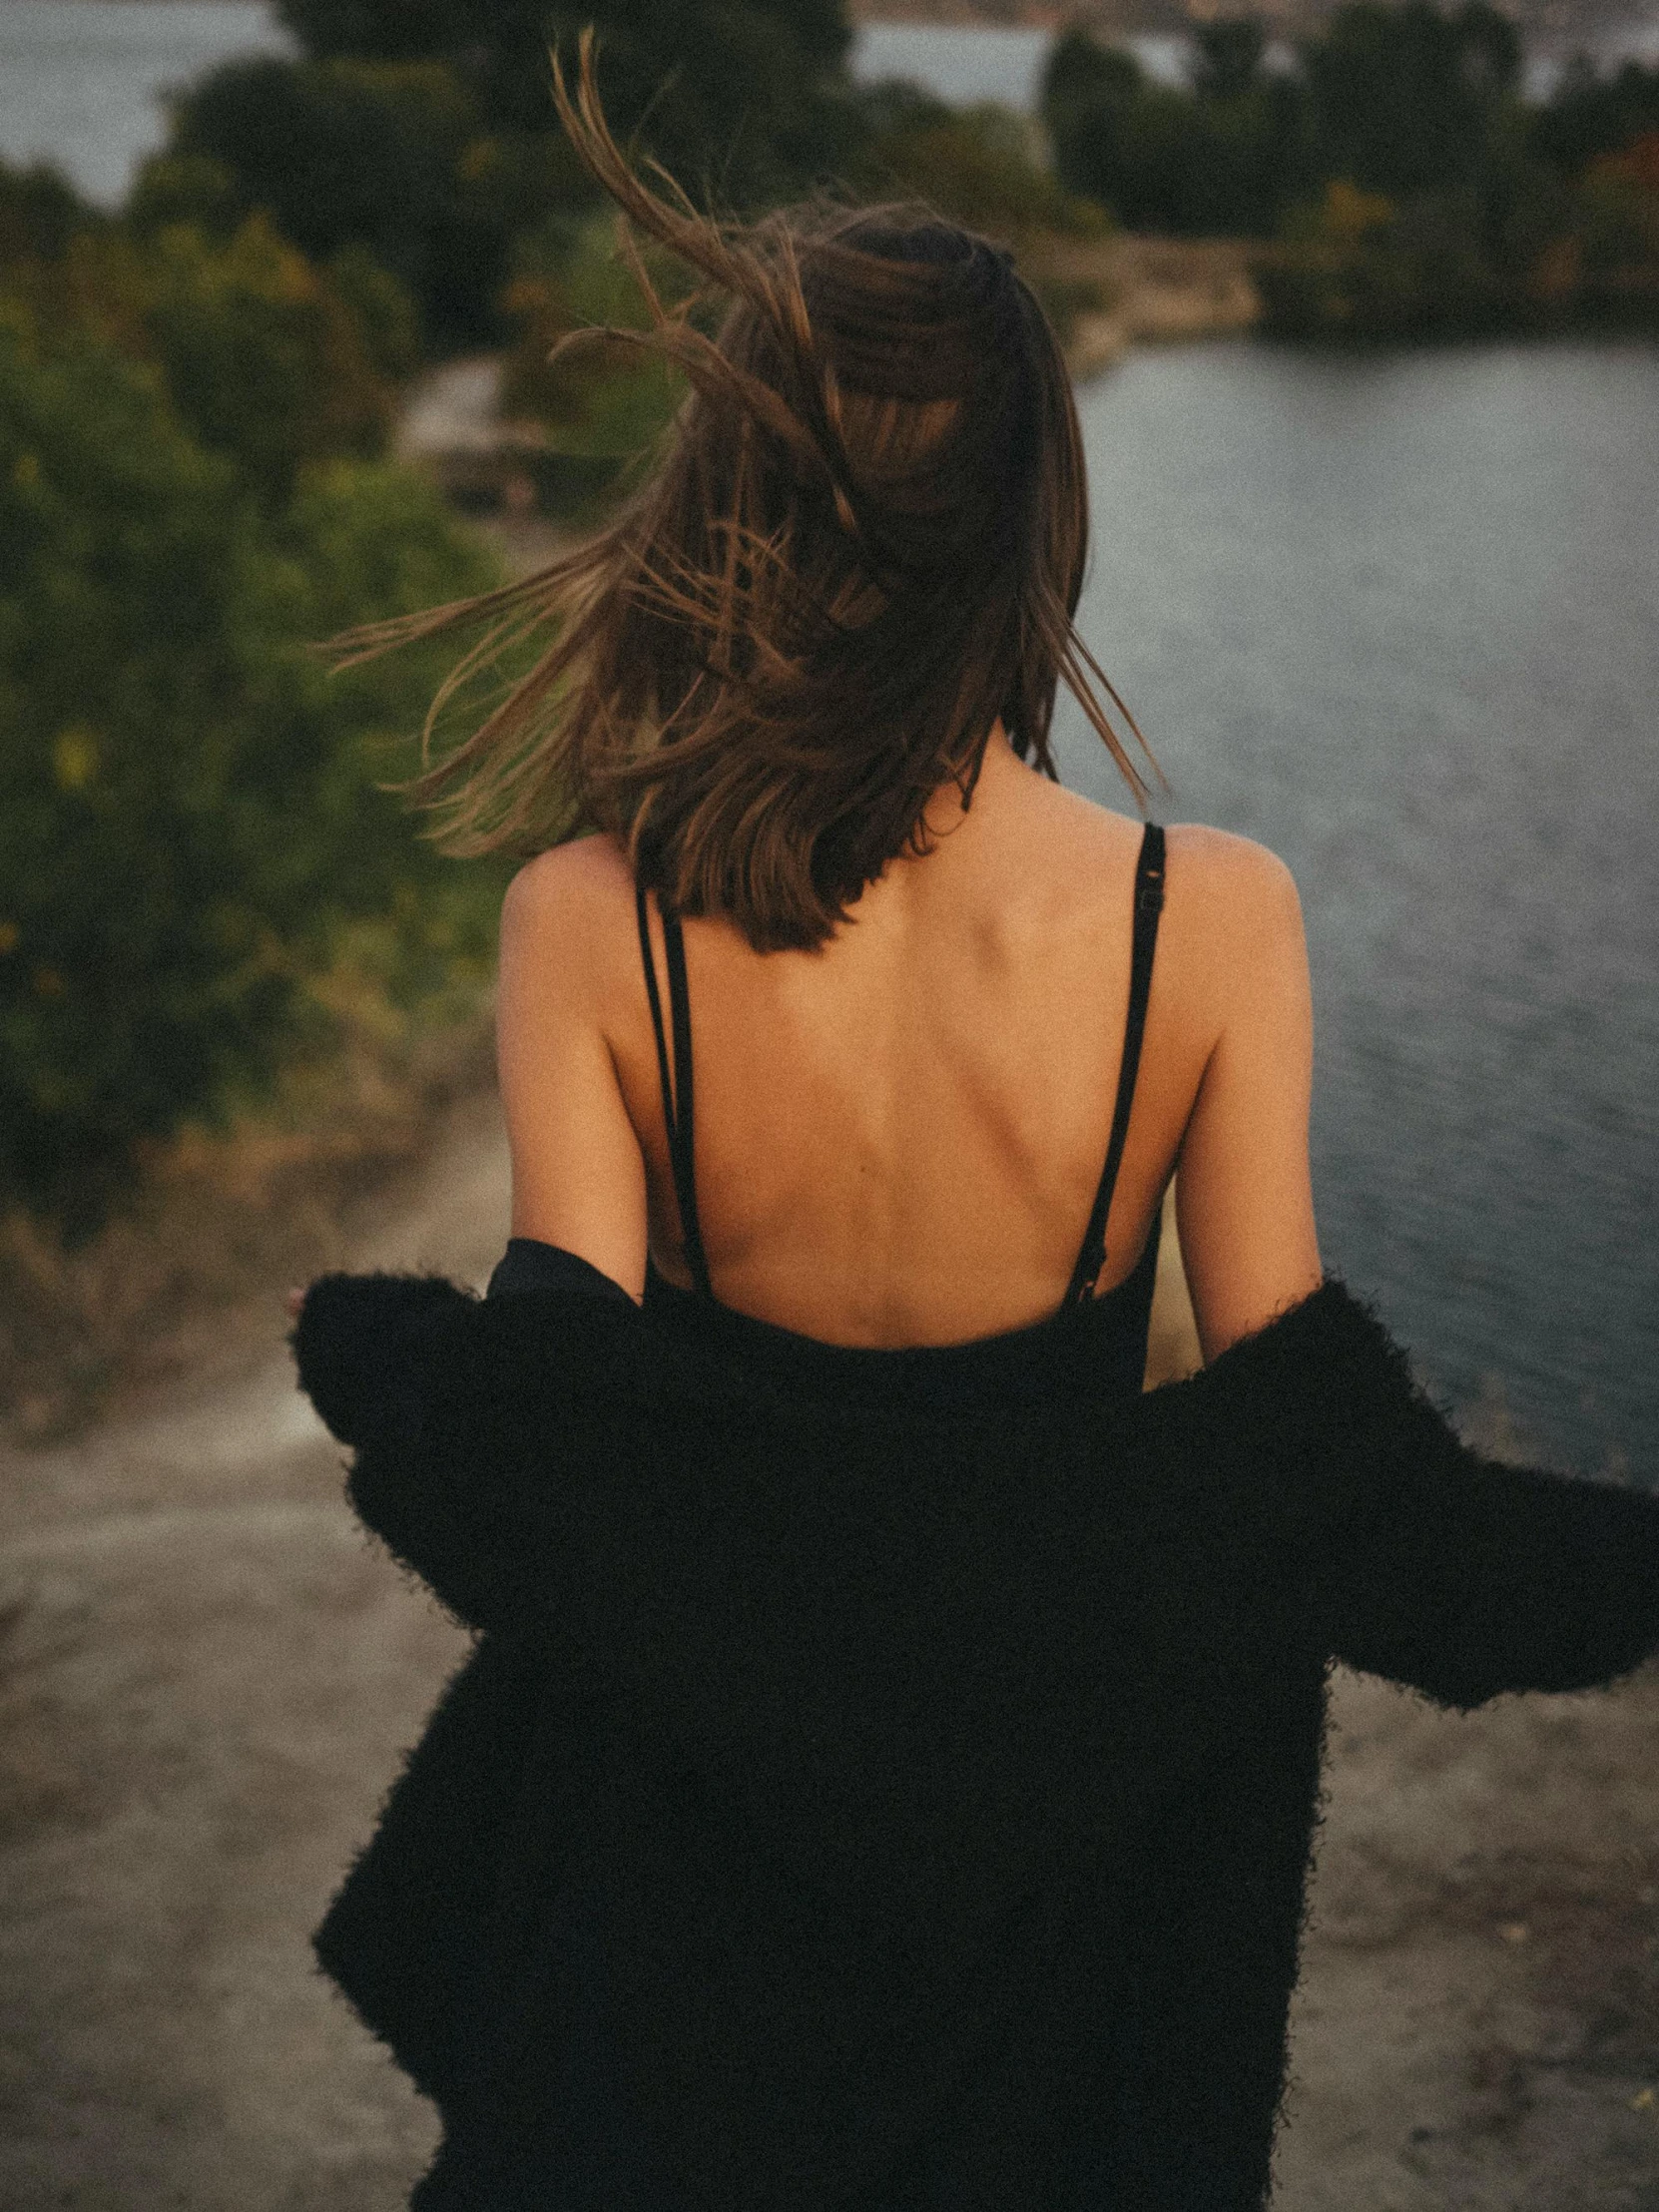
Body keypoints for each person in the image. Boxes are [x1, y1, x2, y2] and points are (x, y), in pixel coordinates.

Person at [289, 37, 1659, 2211]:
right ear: (1036, 518)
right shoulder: (1205, 926)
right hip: (1062, 1964)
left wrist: (357, 1340)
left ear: (730, 499)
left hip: (672, 1939)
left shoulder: (593, 923)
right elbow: (1338, 1493)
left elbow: (543, 1452)